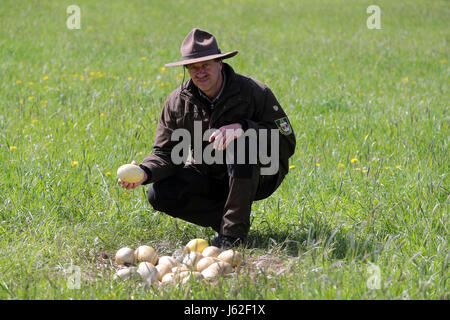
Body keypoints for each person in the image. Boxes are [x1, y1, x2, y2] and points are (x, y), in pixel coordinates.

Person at [118, 28, 296, 249]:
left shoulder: (254, 92)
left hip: (259, 175)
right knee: (159, 193)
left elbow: (287, 140)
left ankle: (233, 237)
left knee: (242, 142)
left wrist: (243, 127)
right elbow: (166, 153)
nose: (199, 72)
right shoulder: (177, 102)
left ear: (219, 63)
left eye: (205, 65)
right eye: (193, 67)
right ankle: (229, 220)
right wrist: (146, 171)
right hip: (210, 174)